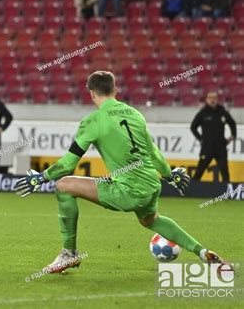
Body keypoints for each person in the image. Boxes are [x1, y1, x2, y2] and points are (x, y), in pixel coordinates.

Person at [14, 71, 227, 273]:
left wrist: (42, 177)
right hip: (152, 185)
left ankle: (68, 253)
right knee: (150, 220)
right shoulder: (136, 115)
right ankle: (201, 251)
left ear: (91, 93)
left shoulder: (93, 121)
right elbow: (153, 152)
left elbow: (68, 164)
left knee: (63, 186)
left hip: (128, 191)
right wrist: (169, 174)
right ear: (115, 89)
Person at [190, 91, 236, 183]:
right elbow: (193, 127)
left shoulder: (222, 111)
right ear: (207, 100)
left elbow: (232, 123)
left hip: (220, 146)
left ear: (217, 99)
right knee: (199, 170)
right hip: (207, 147)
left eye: (214, 98)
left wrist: (233, 135)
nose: (212, 100)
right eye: (210, 98)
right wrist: (200, 139)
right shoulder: (203, 112)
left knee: (224, 171)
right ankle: (191, 191)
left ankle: (227, 193)